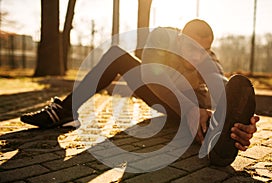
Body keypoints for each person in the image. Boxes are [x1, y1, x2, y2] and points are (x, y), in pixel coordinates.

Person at [21, 19, 259, 166]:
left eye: (204, 50)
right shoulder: (162, 38)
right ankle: (65, 110)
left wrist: (236, 115)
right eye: (192, 48)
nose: (197, 57)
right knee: (116, 55)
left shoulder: (209, 59)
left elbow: (220, 83)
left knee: (216, 91)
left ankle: (216, 133)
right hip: (160, 94)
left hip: (194, 103)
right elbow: (150, 74)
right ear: (179, 38)